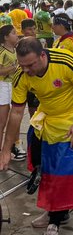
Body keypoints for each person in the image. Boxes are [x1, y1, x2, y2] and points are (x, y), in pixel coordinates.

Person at [0, 37, 73, 235]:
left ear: (43, 55)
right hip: (48, 123)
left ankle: (54, 224)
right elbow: (16, 113)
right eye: (22, 65)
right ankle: (57, 211)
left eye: (30, 65)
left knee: (66, 175)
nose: (26, 70)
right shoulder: (21, 76)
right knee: (47, 172)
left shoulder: (65, 61)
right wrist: (5, 149)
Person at [0, 23, 26, 161]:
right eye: (14, 33)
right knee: (2, 121)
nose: (17, 35)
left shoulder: (16, 50)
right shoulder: (2, 52)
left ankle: (13, 147)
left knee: (14, 118)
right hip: (3, 86)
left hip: (14, 86)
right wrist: (13, 68)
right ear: (5, 37)